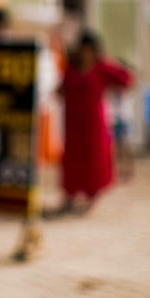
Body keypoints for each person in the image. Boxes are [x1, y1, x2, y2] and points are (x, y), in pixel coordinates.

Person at [57, 31, 133, 215]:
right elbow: (62, 89)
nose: (85, 53)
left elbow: (127, 79)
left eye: (89, 50)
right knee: (73, 160)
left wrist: (107, 63)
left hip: (94, 125)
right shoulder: (71, 67)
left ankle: (92, 197)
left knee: (93, 159)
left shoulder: (101, 67)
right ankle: (69, 197)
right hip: (73, 124)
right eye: (83, 49)